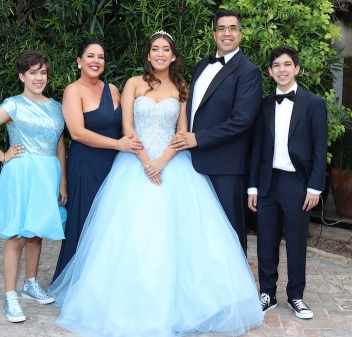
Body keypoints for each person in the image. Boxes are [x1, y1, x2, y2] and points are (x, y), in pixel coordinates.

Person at [49, 31, 262, 337]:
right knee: (130, 237)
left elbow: (183, 133)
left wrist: (161, 162)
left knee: (180, 237)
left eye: (166, 50)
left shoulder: (182, 87)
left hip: (174, 166)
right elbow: (127, 129)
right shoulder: (133, 84)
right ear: (148, 55)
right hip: (134, 165)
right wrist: (147, 162)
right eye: (154, 49)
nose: (160, 54)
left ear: (173, 56)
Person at [0, 51, 67, 323]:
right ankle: (10, 297)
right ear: (22, 76)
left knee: (36, 233)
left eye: (43, 72)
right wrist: (2, 156)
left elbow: (59, 143)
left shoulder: (57, 107)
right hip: (22, 173)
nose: (39, 77)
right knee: (18, 236)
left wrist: (62, 180)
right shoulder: (13, 105)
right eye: (33, 72)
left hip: (48, 173)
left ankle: (30, 284)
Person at [170, 9, 262, 254]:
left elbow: (241, 121)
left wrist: (197, 138)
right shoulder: (201, 66)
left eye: (232, 28)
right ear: (214, 34)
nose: (227, 33)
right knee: (198, 231)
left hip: (226, 166)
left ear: (240, 34)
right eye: (222, 28)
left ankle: (235, 290)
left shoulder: (249, 72)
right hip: (192, 165)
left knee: (229, 232)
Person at [51, 39, 143, 283]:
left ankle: (107, 283)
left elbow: (127, 124)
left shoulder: (112, 89)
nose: (96, 61)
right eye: (90, 56)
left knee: (111, 224)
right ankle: (79, 282)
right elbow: (77, 133)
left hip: (115, 166)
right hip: (86, 165)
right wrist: (117, 144)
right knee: (85, 223)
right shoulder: (73, 90)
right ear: (79, 61)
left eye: (101, 57)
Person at [247, 45, 328, 319]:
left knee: (295, 241)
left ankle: (296, 296)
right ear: (270, 72)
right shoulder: (263, 104)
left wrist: (315, 187)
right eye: (276, 66)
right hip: (268, 182)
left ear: (297, 69)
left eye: (287, 65)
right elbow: (256, 148)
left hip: (298, 184)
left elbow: (320, 149)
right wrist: (253, 186)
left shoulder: (314, 104)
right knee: (266, 241)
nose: (282, 70)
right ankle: (267, 293)